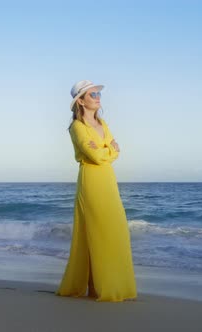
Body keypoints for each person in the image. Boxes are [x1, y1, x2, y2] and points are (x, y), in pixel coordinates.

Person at [55, 80, 137, 302]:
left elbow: (110, 153)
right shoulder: (77, 127)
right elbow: (97, 156)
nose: (98, 96)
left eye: (98, 93)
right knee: (96, 231)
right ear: (80, 100)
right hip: (91, 180)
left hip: (108, 180)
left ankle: (113, 284)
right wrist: (110, 149)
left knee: (115, 230)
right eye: (92, 94)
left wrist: (107, 150)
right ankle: (96, 287)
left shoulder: (103, 123)